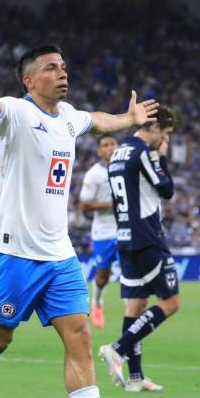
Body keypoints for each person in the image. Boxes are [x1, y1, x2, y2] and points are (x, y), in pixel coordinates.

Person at [0, 44, 159, 398]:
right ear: (29, 80)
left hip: (59, 254)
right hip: (15, 252)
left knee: (79, 336)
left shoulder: (69, 118)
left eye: (64, 67)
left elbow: (98, 120)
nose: (62, 73)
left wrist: (129, 119)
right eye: (51, 68)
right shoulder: (15, 113)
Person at [98, 107, 178, 392]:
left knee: (136, 305)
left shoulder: (117, 154)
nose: (164, 141)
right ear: (153, 127)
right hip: (147, 236)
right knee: (170, 303)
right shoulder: (142, 151)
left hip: (124, 236)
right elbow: (167, 190)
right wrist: (163, 158)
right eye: (164, 135)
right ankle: (117, 349)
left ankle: (135, 378)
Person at [79, 134, 119, 328]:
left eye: (113, 144)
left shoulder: (128, 167)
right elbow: (84, 204)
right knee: (103, 275)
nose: (110, 148)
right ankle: (97, 302)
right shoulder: (94, 174)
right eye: (105, 145)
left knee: (130, 271)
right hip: (103, 231)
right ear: (99, 151)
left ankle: (133, 312)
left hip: (126, 229)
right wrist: (112, 204)